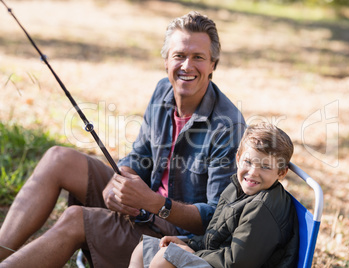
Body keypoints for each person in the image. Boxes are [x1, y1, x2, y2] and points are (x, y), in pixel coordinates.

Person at [0, 11, 246, 267]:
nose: (186, 66)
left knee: (75, 218)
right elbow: (140, 155)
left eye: (198, 57)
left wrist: (154, 203)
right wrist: (117, 183)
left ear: (213, 64)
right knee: (58, 158)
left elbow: (219, 218)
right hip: (143, 207)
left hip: (173, 240)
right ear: (165, 61)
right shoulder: (164, 90)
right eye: (179, 56)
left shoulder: (228, 126)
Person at [129, 122, 299, 268]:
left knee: (165, 259)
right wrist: (188, 244)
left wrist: (194, 254)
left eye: (265, 167)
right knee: (144, 250)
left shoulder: (263, 208)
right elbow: (213, 236)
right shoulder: (235, 188)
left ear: (281, 173)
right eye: (248, 162)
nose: (253, 173)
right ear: (238, 159)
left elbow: (237, 263)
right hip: (215, 260)